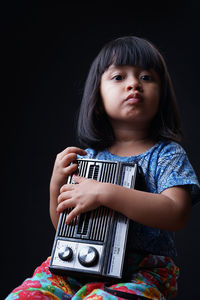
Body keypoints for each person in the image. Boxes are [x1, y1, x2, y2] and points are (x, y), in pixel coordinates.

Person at [6, 36, 200, 300]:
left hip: (142, 273)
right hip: (76, 269)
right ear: (97, 95)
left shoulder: (167, 155)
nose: (133, 84)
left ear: (162, 94)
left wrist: (105, 193)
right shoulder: (89, 156)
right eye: (119, 77)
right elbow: (65, 226)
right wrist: (56, 187)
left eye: (146, 77)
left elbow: (177, 213)